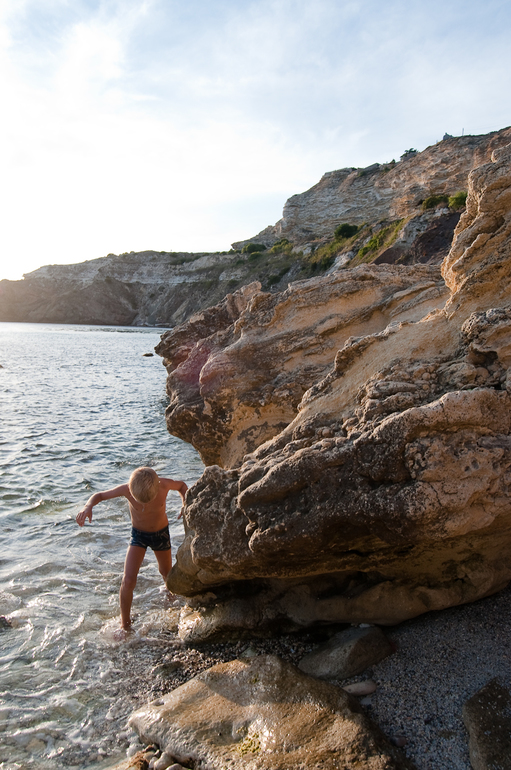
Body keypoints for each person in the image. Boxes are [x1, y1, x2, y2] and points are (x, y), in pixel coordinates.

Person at [76, 466, 188, 632]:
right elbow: (99, 495)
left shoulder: (164, 484)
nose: (144, 505)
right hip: (138, 536)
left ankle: (172, 606)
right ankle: (125, 625)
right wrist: (88, 506)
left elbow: (182, 486)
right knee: (128, 580)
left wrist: (185, 504)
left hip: (161, 535)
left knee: (166, 573)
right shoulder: (126, 489)